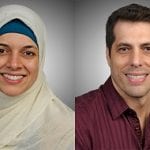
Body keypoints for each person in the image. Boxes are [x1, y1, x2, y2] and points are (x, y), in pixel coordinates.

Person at [75, 3, 150, 150]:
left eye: (148, 48)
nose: (136, 61)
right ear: (108, 56)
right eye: (124, 49)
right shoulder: (76, 120)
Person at [0, 4, 74, 150]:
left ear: (41, 59)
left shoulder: (66, 130)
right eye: (2, 50)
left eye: (28, 53)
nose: (14, 64)